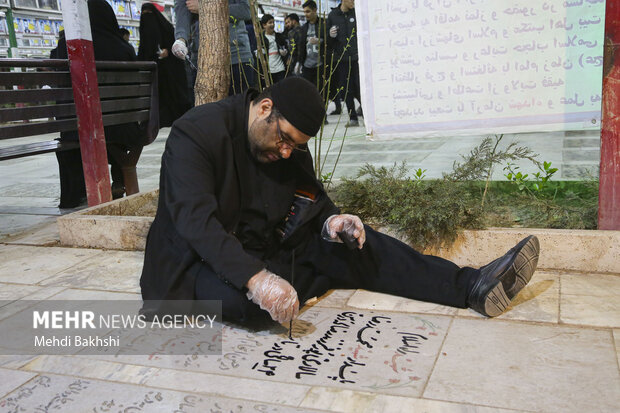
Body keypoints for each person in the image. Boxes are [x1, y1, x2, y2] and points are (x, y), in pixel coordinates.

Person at [140, 76, 541, 324]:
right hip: (197, 263)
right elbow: (196, 225)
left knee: (355, 244)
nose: (284, 153)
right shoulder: (196, 134)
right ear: (265, 108)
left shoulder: (288, 146)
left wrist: (331, 221)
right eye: (283, 140)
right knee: (251, 307)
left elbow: (307, 195)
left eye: (294, 147)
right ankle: (314, 276)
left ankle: (470, 285)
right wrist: (258, 279)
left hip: (263, 247)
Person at [53, 0, 145, 207]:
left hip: (78, 130)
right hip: (123, 128)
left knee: (71, 132)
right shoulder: (124, 48)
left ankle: (74, 195)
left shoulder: (66, 45)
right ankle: (120, 180)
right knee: (115, 129)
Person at [171, 0, 255, 98]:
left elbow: (245, 10)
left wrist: (206, 9)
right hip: (202, 59)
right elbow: (182, 13)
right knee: (205, 108)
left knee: (239, 106)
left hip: (235, 55)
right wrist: (181, 39)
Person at [138, 2, 191, 127]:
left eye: (149, 14)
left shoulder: (167, 30)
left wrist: (168, 52)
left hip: (170, 72)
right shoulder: (147, 30)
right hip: (156, 73)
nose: (147, 18)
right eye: (144, 14)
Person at [327, 0, 361, 127]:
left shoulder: (357, 14)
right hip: (341, 59)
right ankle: (353, 118)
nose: (353, 2)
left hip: (357, 58)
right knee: (347, 89)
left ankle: (366, 112)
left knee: (360, 87)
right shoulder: (332, 15)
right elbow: (327, 40)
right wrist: (330, 35)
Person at [259, 14, 288, 84]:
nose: (272, 24)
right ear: (264, 25)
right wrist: (262, 71)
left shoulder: (280, 36)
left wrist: (285, 51)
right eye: (270, 23)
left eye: (273, 22)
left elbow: (286, 48)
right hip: (269, 70)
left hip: (280, 68)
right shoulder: (260, 38)